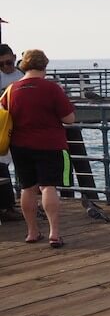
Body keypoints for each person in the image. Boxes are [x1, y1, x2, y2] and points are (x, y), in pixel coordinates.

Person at [1, 49, 76, 247]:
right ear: (44, 65)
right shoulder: (51, 89)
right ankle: (54, 233)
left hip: (20, 145)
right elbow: (69, 119)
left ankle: (32, 232)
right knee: (48, 186)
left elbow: (3, 113)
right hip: (50, 144)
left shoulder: (11, 89)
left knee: (27, 188)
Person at [0, 44, 25, 222]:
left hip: (20, 125)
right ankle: (7, 206)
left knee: (24, 164)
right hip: (2, 125)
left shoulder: (22, 75)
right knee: (2, 165)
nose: (5, 67)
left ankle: (17, 203)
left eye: (8, 62)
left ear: (14, 58)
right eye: (0, 64)